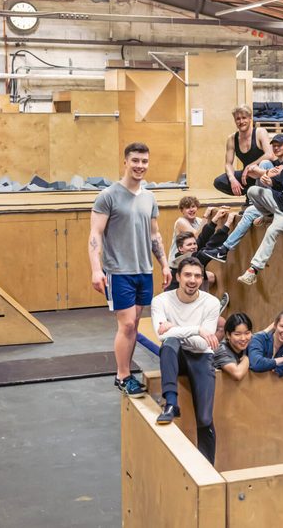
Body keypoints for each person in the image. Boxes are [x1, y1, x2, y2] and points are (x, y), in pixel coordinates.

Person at [89, 142, 171, 399]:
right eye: (135, 160)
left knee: (134, 324)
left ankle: (125, 373)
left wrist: (165, 264)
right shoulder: (108, 196)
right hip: (118, 271)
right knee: (126, 325)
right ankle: (123, 375)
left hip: (143, 270)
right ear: (125, 162)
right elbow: (95, 235)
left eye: (144, 161)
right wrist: (95, 269)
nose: (140, 166)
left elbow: (154, 235)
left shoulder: (149, 197)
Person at [208, 135, 283, 285]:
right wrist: (268, 181)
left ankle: (253, 270)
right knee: (253, 191)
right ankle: (266, 214)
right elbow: (280, 187)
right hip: (281, 203)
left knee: (271, 231)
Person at [150, 257, 220, 462]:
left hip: (201, 358)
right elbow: (162, 336)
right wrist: (197, 329)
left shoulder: (211, 303)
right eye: (188, 275)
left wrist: (177, 329)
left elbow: (203, 345)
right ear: (178, 277)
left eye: (198, 276)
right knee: (170, 343)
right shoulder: (161, 301)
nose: (193, 280)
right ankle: (171, 403)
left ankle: (206, 465)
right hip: (176, 355)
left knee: (205, 419)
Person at [214, 106, 272, 197]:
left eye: (244, 118)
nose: (241, 122)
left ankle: (259, 196)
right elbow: (228, 164)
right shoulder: (232, 138)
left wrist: (250, 166)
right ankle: (249, 194)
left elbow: (269, 155)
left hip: (262, 172)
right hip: (246, 176)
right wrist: (232, 179)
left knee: (264, 163)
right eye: (238, 119)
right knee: (219, 181)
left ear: (250, 118)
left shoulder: (260, 132)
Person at [213, 312, 253, 381]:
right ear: (228, 335)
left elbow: (262, 334)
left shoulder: (250, 341)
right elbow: (237, 374)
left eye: (247, 333)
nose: (243, 338)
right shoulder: (221, 350)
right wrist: (246, 359)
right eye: (237, 334)